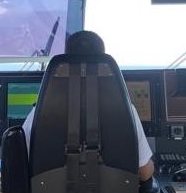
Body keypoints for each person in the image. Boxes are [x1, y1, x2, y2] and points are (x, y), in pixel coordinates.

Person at [22, 30, 156, 182]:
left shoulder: (39, 113)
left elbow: (22, 165)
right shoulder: (125, 111)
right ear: (102, 63)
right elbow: (144, 173)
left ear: (66, 59)